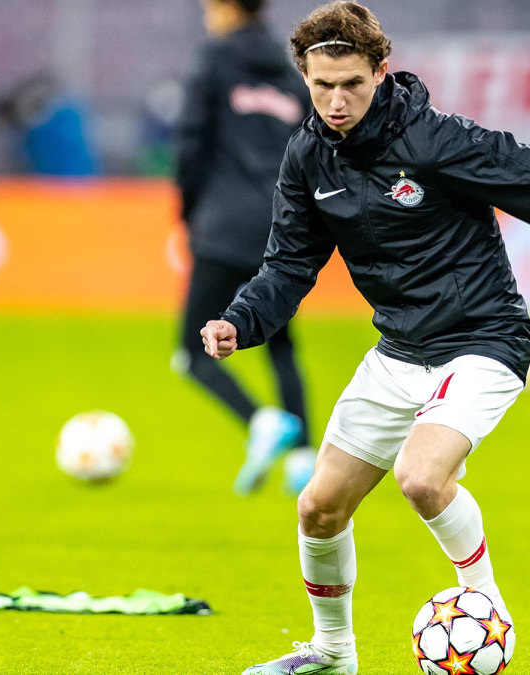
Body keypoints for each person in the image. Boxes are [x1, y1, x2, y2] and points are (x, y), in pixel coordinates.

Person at [199, 2, 530, 673]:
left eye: (351, 83)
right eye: (322, 86)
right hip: (399, 351)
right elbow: (289, 264)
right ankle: (331, 652)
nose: (336, 100)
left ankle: (488, 607)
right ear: (305, 79)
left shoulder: (434, 141)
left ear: (381, 71)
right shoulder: (307, 158)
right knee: (318, 507)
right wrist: (241, 319)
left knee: (420, 476)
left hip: (482, 338)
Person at [175, 0, 315, 496]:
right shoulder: (289, 71)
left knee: (192, 352)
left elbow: (190, 143)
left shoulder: (212, 61)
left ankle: (261, 421)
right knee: (280, 343)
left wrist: (189, 213)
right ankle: (304, 461)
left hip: (222, 222)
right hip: (280, 225)